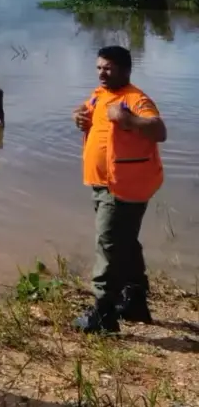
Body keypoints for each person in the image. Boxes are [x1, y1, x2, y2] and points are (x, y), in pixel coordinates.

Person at [72, 46, 167, 334]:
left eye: (108, 68)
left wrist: (128, 120)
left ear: (126, 70)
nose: (102, 72)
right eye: (99, 67)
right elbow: (86, 112)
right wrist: (78, 116)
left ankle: (103, 314)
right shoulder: (99, 95)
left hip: (124, 186)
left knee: (109, 244)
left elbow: (159, 130)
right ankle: (135, 300)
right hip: (102, 183)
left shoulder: (136, 99)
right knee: (125, 241)